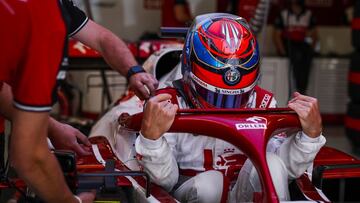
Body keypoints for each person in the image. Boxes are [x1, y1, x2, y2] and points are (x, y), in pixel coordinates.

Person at [91, 13, 325, 202]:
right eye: (215, 95)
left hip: (244, 193)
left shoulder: (263, 103)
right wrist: (152, 141)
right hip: (192, 193)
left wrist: (309, 138)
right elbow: (164, 184)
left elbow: (285, 173)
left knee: (273, 165)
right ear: (189, 77)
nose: (227, 107)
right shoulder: (165, 104)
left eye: (238, 96)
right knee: (209, 186)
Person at [0, 0, 157, 202]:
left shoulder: (50, 9)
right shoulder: (43, 20)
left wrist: (134, 71)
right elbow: (29, 156)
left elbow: (102, 37)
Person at [273, 0, 318, 94]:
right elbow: (276, 35)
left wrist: (312, 50)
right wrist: (283, 52)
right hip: (289, 45)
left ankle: (302, 89)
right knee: (297, 56)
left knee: (307, 57)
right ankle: (298, 89)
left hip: (303, 44)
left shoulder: (308, 14)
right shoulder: (284, 14)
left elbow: (315, 35)